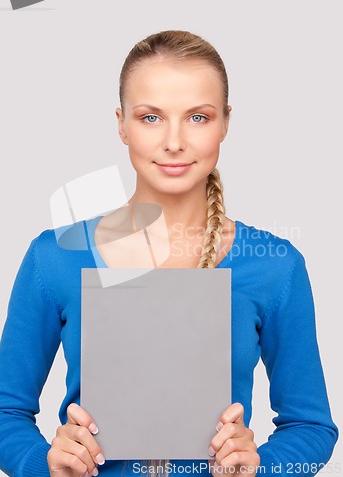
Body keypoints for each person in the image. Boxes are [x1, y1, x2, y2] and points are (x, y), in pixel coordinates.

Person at [0, 30, 338, 477]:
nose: (174, 141)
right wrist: (45, 463)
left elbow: (313, 428)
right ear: (121, 123)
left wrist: (263, 467)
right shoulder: (55, 258)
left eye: (198, 117)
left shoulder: (276, 266)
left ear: (226, 123)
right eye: (151, 117)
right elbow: (5, 413)